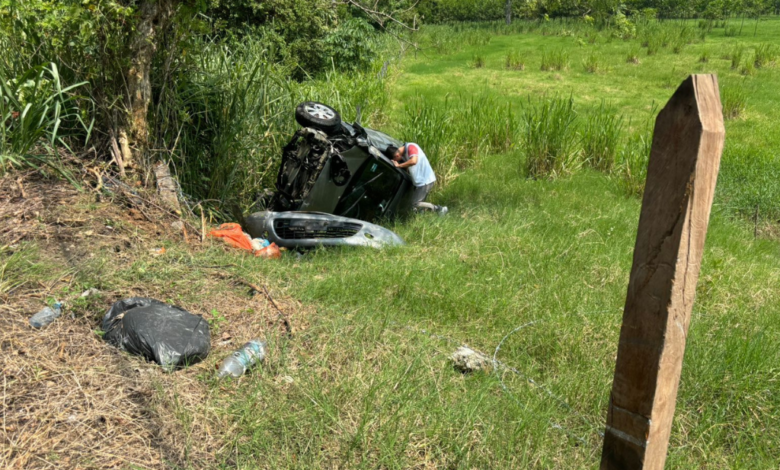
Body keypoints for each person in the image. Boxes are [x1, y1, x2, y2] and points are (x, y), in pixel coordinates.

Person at [387, 143, 447, 214]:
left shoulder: (411, 147)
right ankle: (422, 217)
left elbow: (413, 161)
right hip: (420, 182)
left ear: (396, 156)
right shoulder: (405, 152)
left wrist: (399, 165)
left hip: (425, 180)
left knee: (415, 204)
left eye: (396, 160)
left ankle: (439, 209)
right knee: (417, 206)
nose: (398, 161)